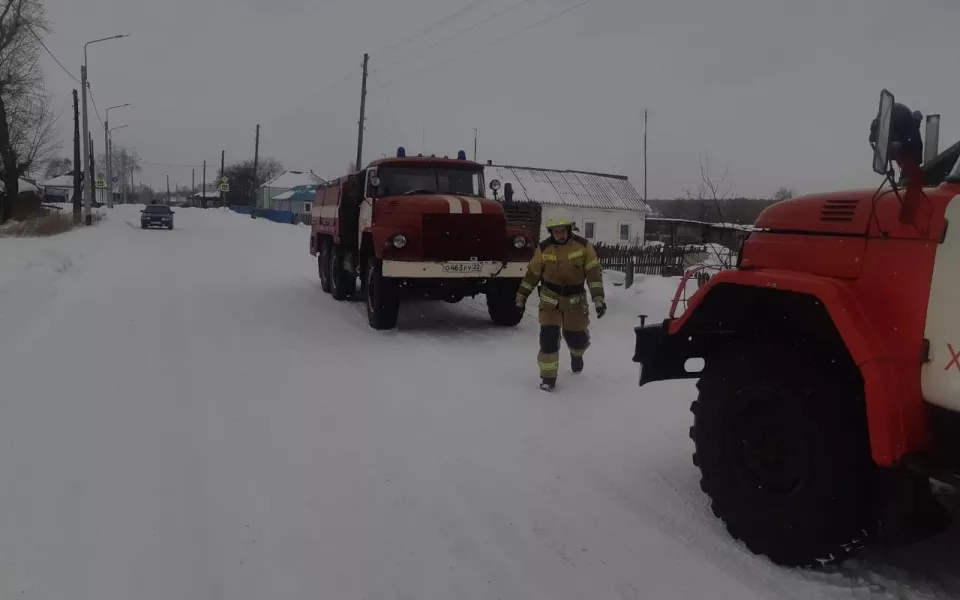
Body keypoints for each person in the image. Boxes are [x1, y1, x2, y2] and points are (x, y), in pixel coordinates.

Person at [515, 219, 606, 391]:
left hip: (575, 303)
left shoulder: (583, 246)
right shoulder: (544, 248)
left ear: (569, 230)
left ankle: (577, 354)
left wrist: (598, 299)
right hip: (550, 302)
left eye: (562, 230)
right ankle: (548, 378)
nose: (560, 235)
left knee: (577, 339)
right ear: (551, 232)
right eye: (556, 231)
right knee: (548, 339)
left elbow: (594, 273)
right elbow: (532, 274)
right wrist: (521, 296)